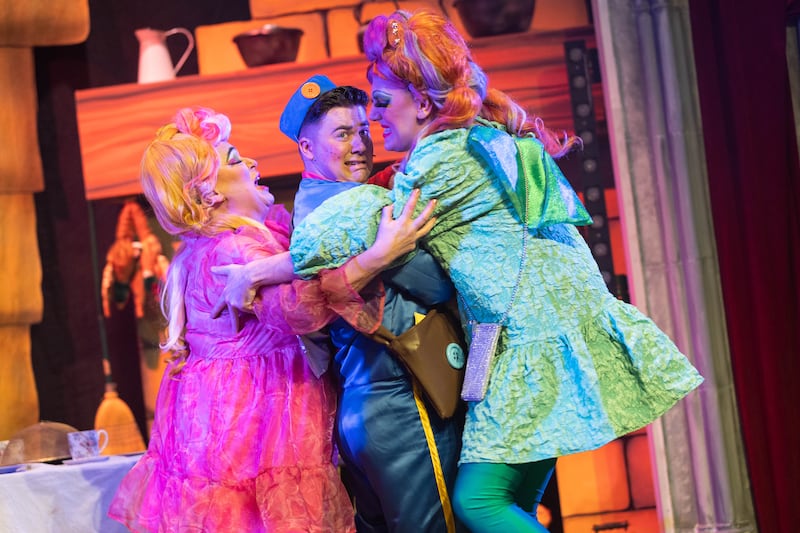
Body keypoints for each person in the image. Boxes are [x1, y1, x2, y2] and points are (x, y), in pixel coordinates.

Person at [285, 9, 705, 533]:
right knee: (509, 505)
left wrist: (258, 271)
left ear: (421, 101)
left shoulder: (440, 159)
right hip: (534, 336)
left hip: (532, 340)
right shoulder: (477, 134)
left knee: (479, 504)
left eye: (382, 103)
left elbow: (325, 239)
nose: (374, 120)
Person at [107, 106, 437, 533]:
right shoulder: (232, 251)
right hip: (259, 433)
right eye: (233, 159)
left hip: (239, 424)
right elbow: (301, 307)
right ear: (209, 194)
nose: (251, 163)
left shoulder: (239, 243)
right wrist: (377, 257)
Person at [213, 76, 467, 533]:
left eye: (363, 130)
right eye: (342, 133)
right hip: (404, 399)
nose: (361, 144)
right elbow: (437, 285)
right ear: (307, 149)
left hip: (361, 409)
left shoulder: (307, 207)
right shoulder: (357, 207)